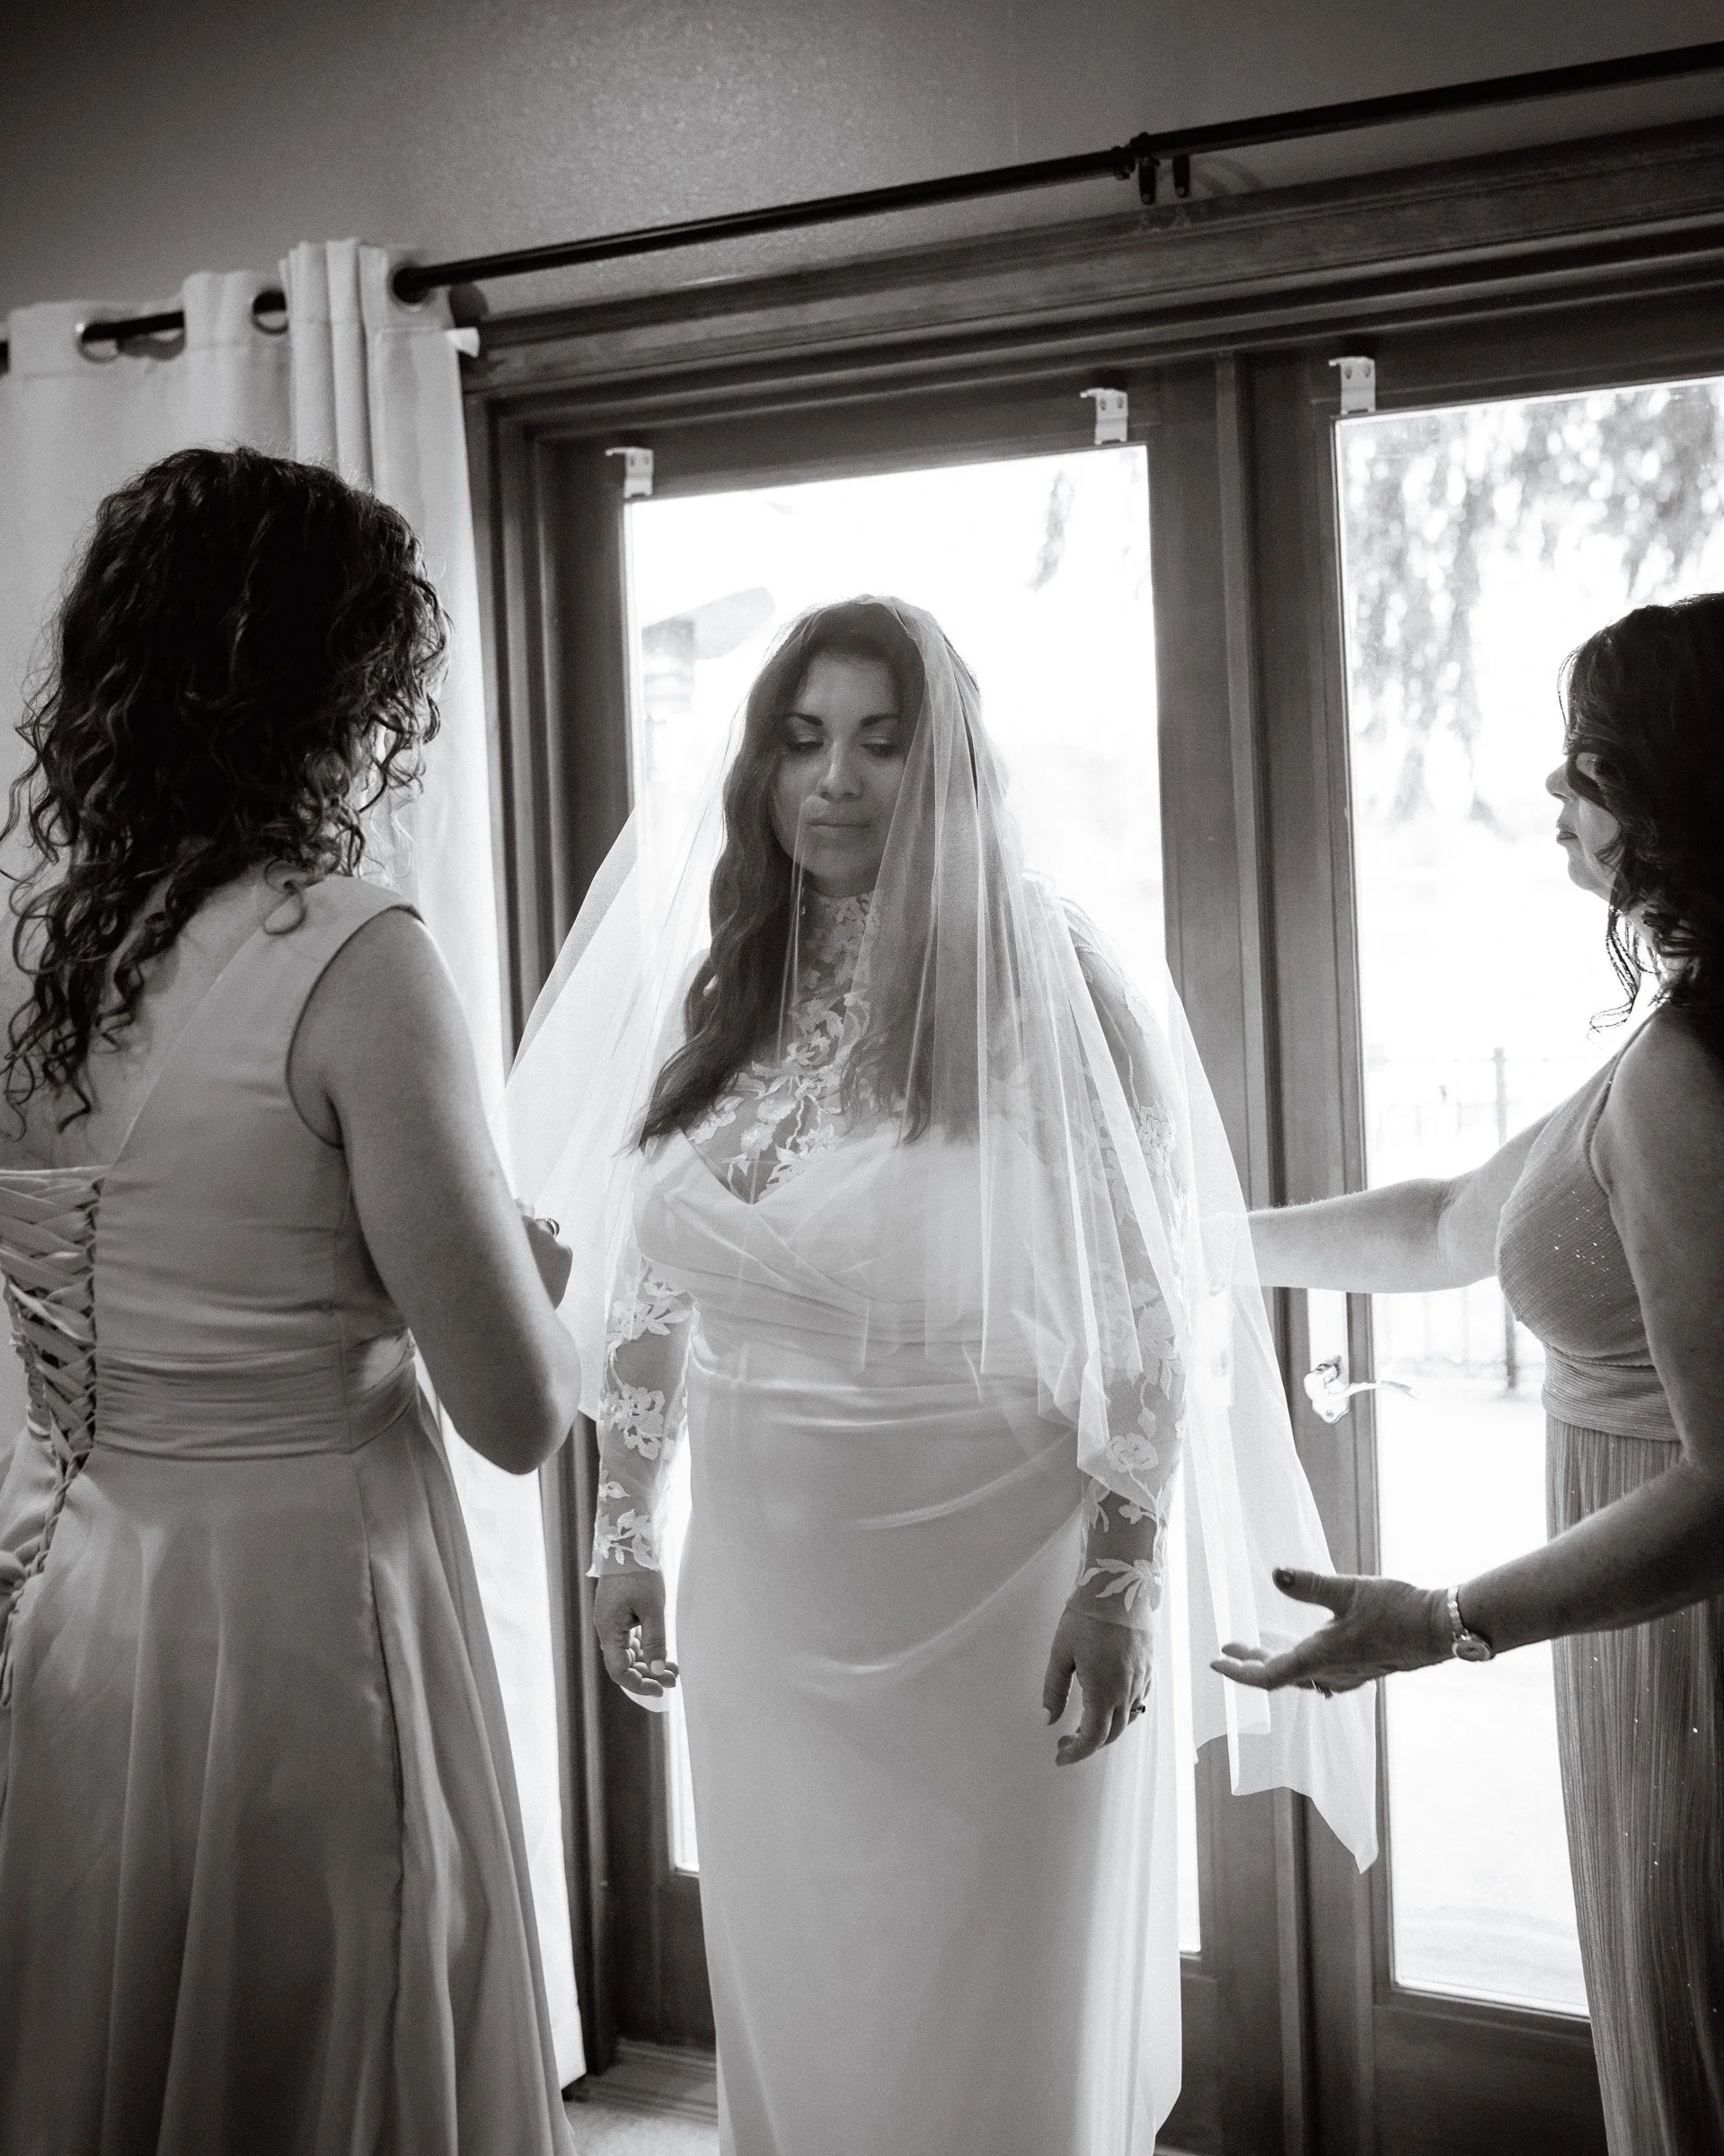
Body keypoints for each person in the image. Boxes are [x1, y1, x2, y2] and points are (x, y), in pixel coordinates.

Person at [507, 596, 1376, 2156]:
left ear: (950, 769)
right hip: (763, 1601)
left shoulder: (1052, 984)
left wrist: (1118, 1578)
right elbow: (652, 1282)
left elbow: (1144, 1305)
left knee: (982, 2012)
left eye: (880, 745)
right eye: (802, 740)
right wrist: (622, 1525)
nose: (833, 781)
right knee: (799, 1997)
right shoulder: (731, 984)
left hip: (993, 1586)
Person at [0, 446, 582, 2155]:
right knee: (328, 2035)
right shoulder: (352, 955)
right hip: (308, 1605)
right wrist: (533, 1289)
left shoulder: (35, 947)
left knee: (110, 2014)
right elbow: (518, 1413)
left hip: (87, 1592)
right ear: (343, 689)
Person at [1217, 595, 1724, 2154]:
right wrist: (1187, 1237)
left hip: (1687, 1644)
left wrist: (1440, 1621)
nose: (1552, 805)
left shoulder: (1685, 1073)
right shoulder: (1675, 1040)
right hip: (1644, 1624)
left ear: (1674, 792)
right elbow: (1444, 1221)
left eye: (1582, 769)